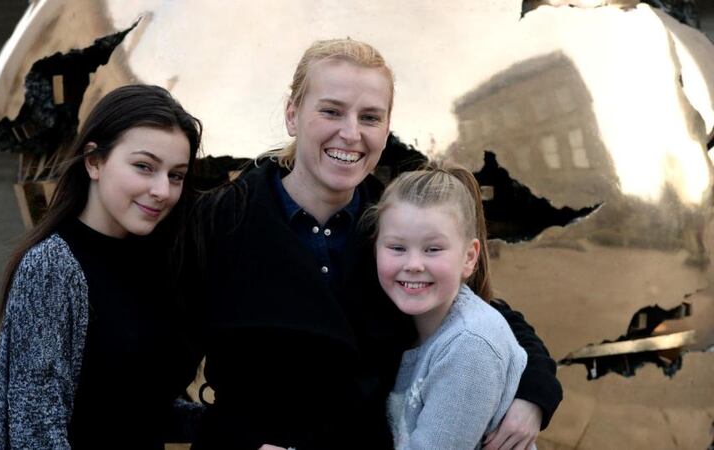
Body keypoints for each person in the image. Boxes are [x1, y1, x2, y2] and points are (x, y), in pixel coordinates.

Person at [189, 38, 561, 450]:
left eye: (370, 117)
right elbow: (156, 347)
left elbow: (482, 311)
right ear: (293, 115)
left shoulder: (396, 226)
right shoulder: (219, 219)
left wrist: (535, 394)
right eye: (331, 111)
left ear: (386, 128)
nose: (351, 134)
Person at [0, 84, 203, 449]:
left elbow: (133, 409)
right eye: (144, 167)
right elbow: (35, 429)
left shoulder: (156, 261)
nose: (163, 190)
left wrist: (239, 432)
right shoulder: (52, 267)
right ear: (94, 161)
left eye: (175, 175)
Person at [368, 164, 527, 449]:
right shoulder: (413, 324)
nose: (413, 265)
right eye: (397, 248)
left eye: (432, 249)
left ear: (469, 257)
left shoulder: (470, 346)